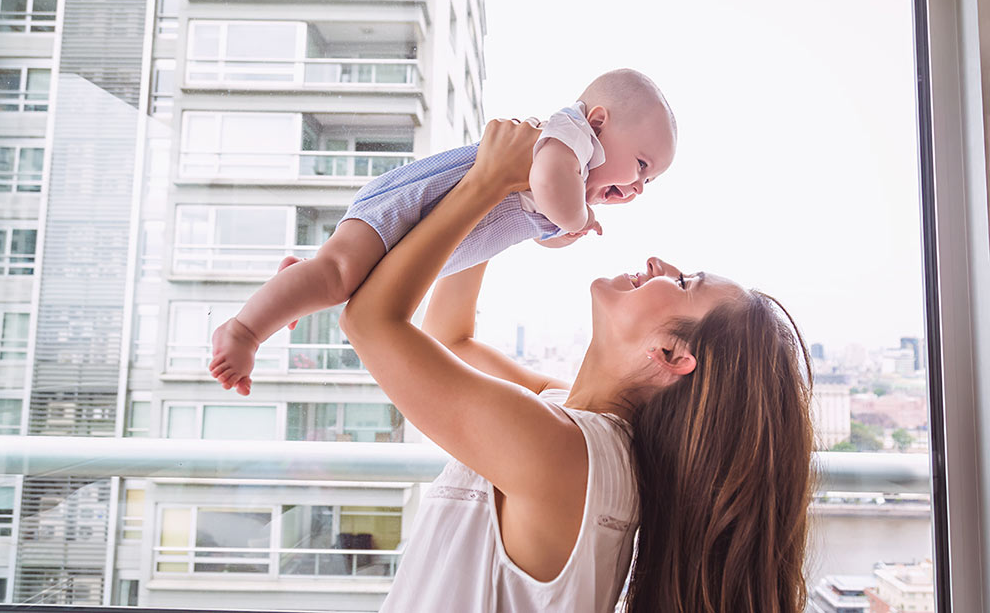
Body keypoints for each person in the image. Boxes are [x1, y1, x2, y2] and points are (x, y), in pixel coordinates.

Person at [318, 119, 815, 612]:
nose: (659, 263)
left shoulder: (562, 454)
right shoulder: (582, 429)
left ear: (672, 355)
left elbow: (370, 322)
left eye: (685, 282)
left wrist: (486, 182)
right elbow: (451, 339)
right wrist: (515, 200)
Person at [208, 68, 676, 396]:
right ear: (598, 123)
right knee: (338, 275)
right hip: (416, 203)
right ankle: (244, 330)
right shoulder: (569, 137)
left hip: (432, 233)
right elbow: (550, 185)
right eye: (639, 165)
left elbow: (540, 228)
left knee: (344, 279)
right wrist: (577, 218)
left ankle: (301, 280)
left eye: (648, 182)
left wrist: (563, 232)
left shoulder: (574, 173)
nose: (637, 186)